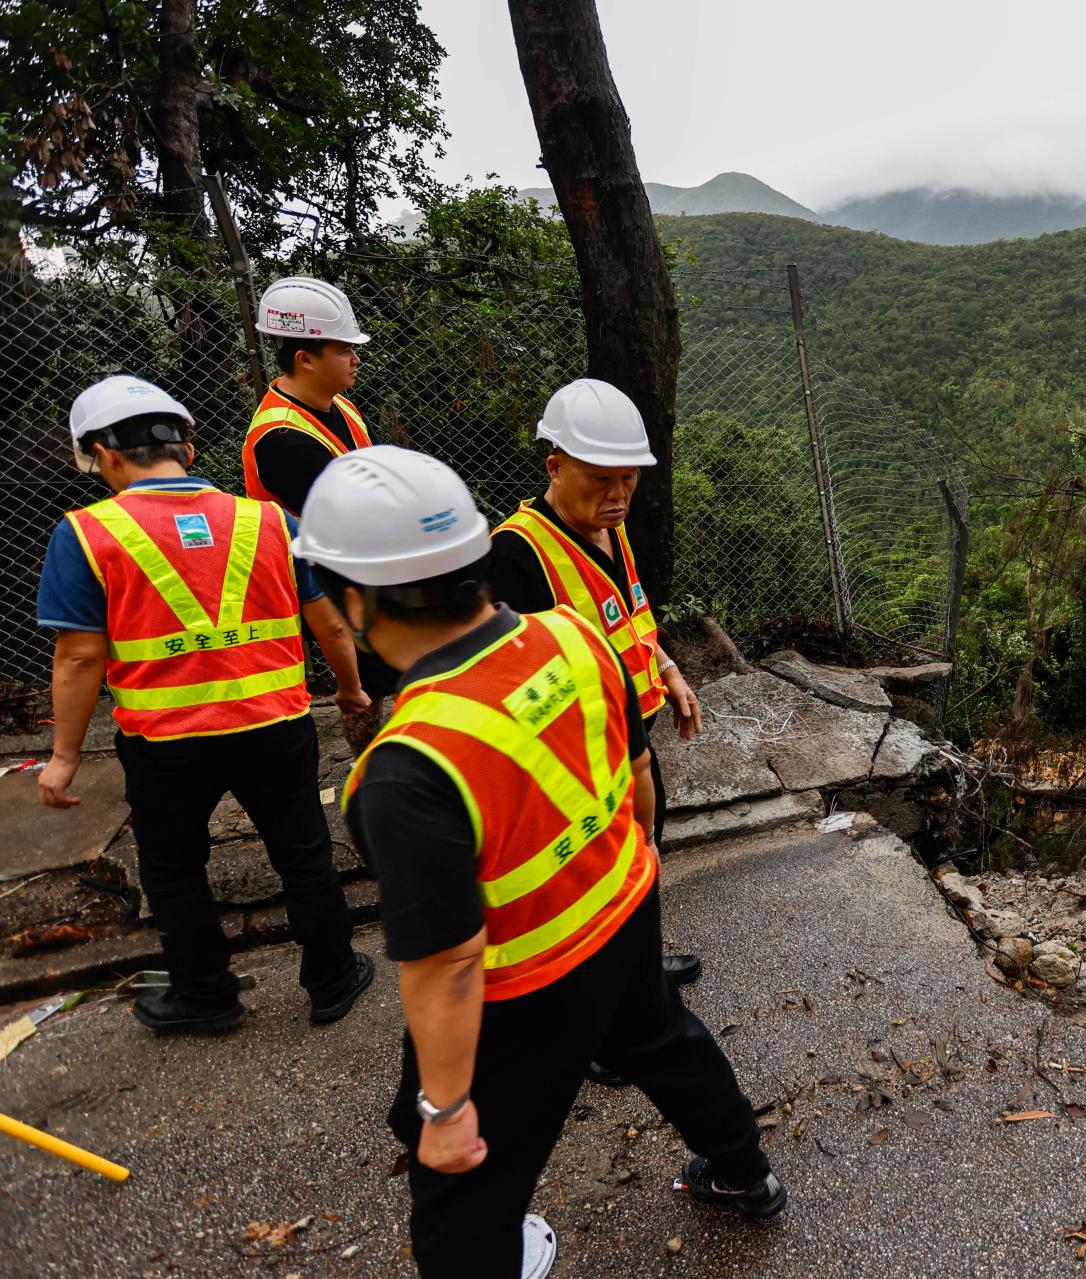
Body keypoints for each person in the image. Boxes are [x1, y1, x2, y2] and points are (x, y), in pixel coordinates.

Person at [297, 446, 781, 1279]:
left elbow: (446, 961)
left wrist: (444, 1110)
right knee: (668, 1041)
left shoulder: (403, 768)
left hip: (523, 987)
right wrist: (642, 866)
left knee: (466, 1190)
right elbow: (634, 777)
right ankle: (746, 1171)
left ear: (355, 599)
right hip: (624, 911)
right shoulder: (572, 634)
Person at [35, 374, 374, 1034]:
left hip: (166, 740)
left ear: (104, 454)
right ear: (186, 449)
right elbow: (329, 624)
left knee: (173, 868)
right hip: (276, 725)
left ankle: (206, 995)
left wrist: (63, 757)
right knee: (304, 852)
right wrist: (351, 687)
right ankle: (333, 978)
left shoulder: (83, 535)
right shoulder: (271, 520)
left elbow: (78, 657)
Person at [488, 379, 704, 1011]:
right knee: (588, 892)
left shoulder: (611, 530)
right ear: (555, 466)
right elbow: (507, 683)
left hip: (627, 739)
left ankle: (638, 975)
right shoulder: (515, 556)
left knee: (639, 863)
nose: (617, 497)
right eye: (600, 480)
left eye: (629, 482)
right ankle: (601, 1021)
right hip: (572, 765)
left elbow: (630, 618)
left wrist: (667, 665)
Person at [241, 274, 397, 752]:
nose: (356, 359)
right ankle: (369, 766)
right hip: (322, 579)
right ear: (305, 358)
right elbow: (353, 517)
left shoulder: (339, 407)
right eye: (344, 350)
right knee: (364, 685)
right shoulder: (282, 439)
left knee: (389, 669)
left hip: (357, 567)